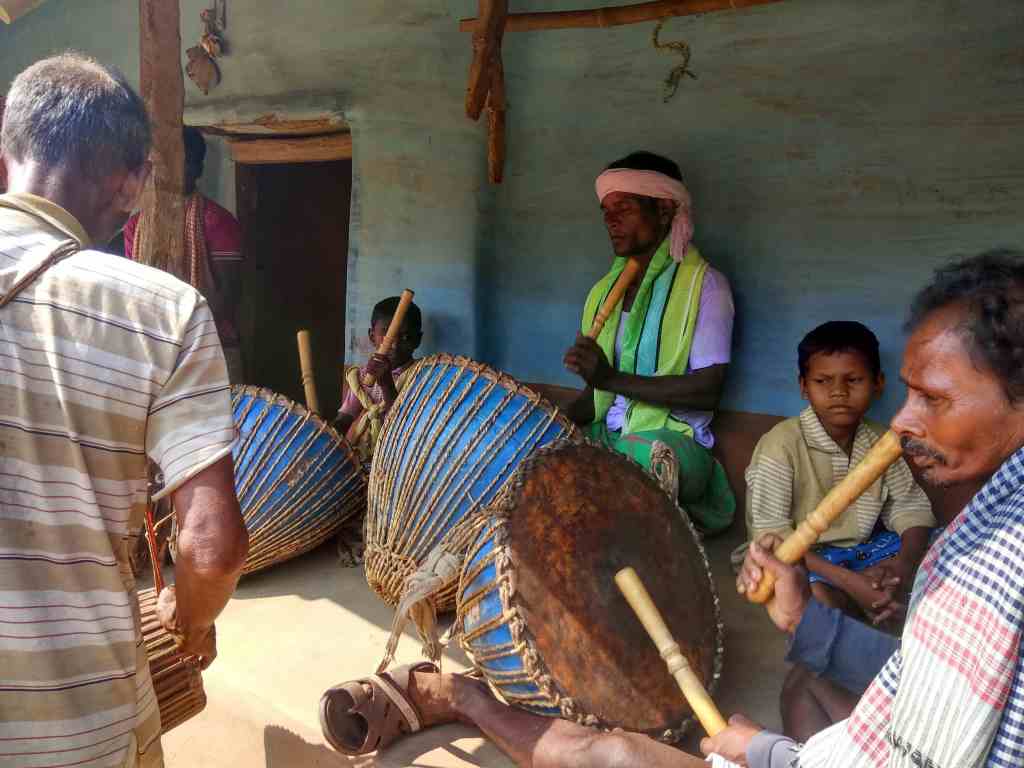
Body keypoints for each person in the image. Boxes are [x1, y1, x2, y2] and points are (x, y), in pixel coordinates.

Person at [320, 250, 1024, 768]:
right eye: (908, 392)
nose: (903, 421)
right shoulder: (992, 510)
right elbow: (922, 683)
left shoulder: (995, 567)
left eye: (933, 398)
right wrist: (802, 617)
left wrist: (769, 754)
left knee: (615, 757)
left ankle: (463, 698)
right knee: (809, 680)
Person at [0, 53, 248, 766]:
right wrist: (191, 620)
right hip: (79, 727)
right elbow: (212, 546)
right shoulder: (159, 311)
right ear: (135, 181)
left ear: (7, 149)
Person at [562, 151, 736, 533]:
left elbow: (708, 391)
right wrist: (545, 421)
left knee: (641, 459)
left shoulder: (705, 286)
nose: (610, 220)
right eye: (605, 210)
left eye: (623, 208)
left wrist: (609, 378)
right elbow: (596, 400)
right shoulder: (601, 292)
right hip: (609, 435)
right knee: (538, 453)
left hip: (674, 443)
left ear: (664, 210)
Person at [737, 321, 935, 621]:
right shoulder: (780, 444)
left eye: (853, 380)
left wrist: (902, 566)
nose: (838, 392)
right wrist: (853, 583)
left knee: (941, 549)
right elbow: (771, 533)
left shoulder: (883, 440)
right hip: (804, 557)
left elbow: (911, 509)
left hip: (863, 551)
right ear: (804, 386)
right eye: (823, 381)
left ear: (878, 383)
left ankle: (879, 596)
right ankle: (867, 603)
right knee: (815, 598)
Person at [124, 126, 246, 382]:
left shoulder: (216, 222)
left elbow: (226, 299)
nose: (172, 171)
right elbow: (130, 293)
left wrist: (176, 340)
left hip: (209, 349)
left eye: (183, 162)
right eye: (165, 162)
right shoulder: (136, 226)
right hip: (150, 353)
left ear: (198, 169)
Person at [334, 295, 423, 462]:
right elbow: (344, 419)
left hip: (401, 461)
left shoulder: (422, 377)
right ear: (371, 335)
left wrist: (386, 383)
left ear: (417, 340)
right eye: (386, 334)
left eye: (405, 337)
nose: (394, 345)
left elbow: (406, 430)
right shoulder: (362, 376)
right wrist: (324, 436)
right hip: (366, 459)